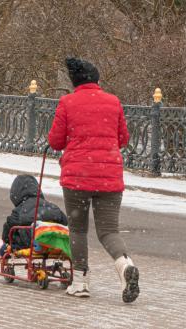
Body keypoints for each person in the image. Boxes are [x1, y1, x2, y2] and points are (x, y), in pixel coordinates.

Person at [48, 57, 139, 303]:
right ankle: (124, 265)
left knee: (78, 229)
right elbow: (123, 139)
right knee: (109, 230)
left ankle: (80, 282)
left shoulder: (67, 102)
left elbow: (55, 141)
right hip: (109, 176)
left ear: (75, 82)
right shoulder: (113, 102)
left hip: (77, 176)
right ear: (97, 80)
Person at [0, 175, 68, 258]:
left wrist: (6, 241)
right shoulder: (52, 206)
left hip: (29, 243)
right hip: (55, 245)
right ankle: (43, 243)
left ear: (15, 193)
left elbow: (9, 226)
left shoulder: (20, 209)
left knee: (5, 239)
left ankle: (3, 251)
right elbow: (65, 223)